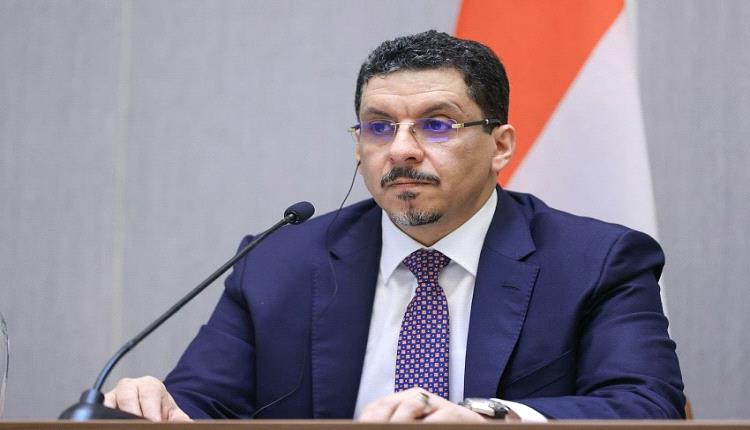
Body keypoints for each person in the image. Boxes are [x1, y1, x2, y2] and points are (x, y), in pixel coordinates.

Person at [103, 30, 685, 422]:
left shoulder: (595, 261)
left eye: (437, 125)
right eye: (379, 127)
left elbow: (648, 406)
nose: (401, 150)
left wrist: (489, 419)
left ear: (500, 146)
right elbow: (205, 403)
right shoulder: (279, 262)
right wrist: (160, 408)